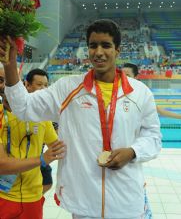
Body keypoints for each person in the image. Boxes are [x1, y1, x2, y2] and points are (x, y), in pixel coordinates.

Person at [0, 20, 161, 219]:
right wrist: (9, 66)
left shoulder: (140, 93)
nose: (98, 52)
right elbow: (23, 108)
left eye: (106, 45)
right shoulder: (67, 88)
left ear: (118, 50)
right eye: (93, 45)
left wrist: (132, 152)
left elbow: (153, 137)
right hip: (84, 203)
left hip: (126, 200)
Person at [0, 68, 66, 219]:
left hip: (33, 197)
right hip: (4, 196)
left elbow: (59, 147)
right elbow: (2, 165)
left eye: (11, 81)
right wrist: (41, 159)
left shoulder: (42, 117)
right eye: (1, 81)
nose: (6, 86)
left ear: (20, 84)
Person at [25, 68, 56, 194]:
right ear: (27, 85)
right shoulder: (10, 110)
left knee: (47, 182)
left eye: (46, 85)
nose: (43, 89)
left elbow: (55, 144)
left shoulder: (44, 114)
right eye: (39, 85)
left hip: (36, 163)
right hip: (12, 168)